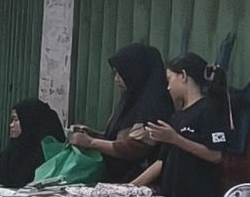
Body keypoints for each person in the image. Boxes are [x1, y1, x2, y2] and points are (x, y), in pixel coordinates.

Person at [135, 53, 233, 197]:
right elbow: (162, 162)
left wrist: (176, 139)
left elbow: (216, 155)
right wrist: (131, 186)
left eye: (170, 80)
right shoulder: (177, 116)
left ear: (184, 76)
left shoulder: (209, 111)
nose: (168, 87)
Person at [71, 42, 173, 182]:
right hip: (116, 179)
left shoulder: (154, 107)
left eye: (122, 73)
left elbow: (134, 148)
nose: (116, 79)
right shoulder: (131, 100)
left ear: (137, 72)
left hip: (138, 186)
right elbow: (118, 138)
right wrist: (92, 133)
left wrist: (91, 142)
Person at [0, 97, 69, 189]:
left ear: (29, 121)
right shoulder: (12, 151)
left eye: (16, 120)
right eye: (12, 120)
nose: (11, 125)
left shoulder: (48, 156)